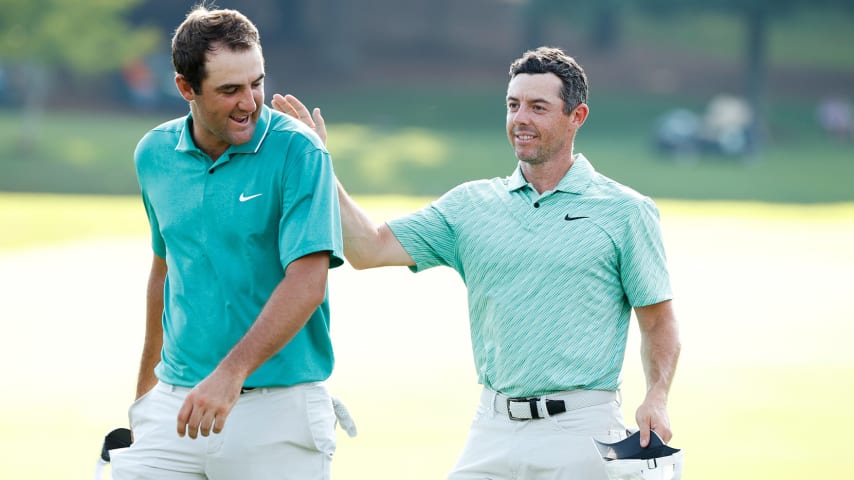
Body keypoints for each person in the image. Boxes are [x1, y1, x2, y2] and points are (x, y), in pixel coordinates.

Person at [274, 46, 680, 479]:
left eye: (538, 107)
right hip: (492, 427)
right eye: (513, 105)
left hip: (581, 431)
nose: (520, 118)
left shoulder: (625, 211)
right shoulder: (470, 205)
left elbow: (657, 321)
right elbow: (368, 248)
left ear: (576, 116)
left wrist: (657, 394)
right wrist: (320, 163)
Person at [109, 6, 348, 479]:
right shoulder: (154, 154)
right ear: (185, 88)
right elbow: (166, 269)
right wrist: (144, 396)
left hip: (278, 413)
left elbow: (308, 281)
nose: (250, 102)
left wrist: (229, 375)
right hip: (174, 407)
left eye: (256, 82)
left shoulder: (300, 151)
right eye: (230, 90)